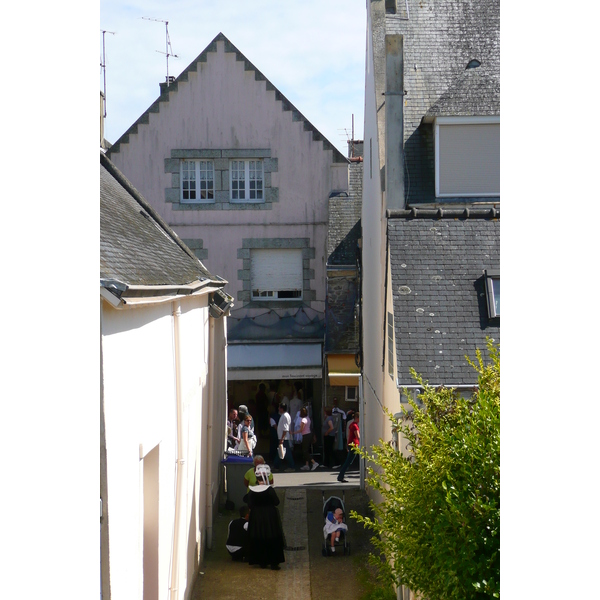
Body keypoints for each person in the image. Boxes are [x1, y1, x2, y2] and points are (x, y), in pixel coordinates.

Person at [246, 464, 286, 570]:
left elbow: (249, 504)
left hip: (257, 517)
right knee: (272, 537)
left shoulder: (252, 490)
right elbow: (276, 502)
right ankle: (273, 562)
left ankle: (261, 562)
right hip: (270, 516)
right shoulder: (269, 490)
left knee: (259, 536)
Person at [338, 412, 360, 483]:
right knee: (349, 461)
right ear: (357, 418)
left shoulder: (351, 425)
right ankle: (341, 476)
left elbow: (348, 436)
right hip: (354, 445)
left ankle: (341, 476)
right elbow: (358, 436)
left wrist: (347, 444)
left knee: (349, 461)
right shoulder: (355, 426)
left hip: (351, 444)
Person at [274, 402, 295, 471]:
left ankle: (291, 467)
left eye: (279, 407)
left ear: (282, 409)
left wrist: (282, 438)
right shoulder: (285, 415)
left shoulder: (285, 416)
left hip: (284, 437)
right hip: (282, 437)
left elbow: (285, 428)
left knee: (286, 452)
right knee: (280, 451)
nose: (278, 409)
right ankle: (276, 466)